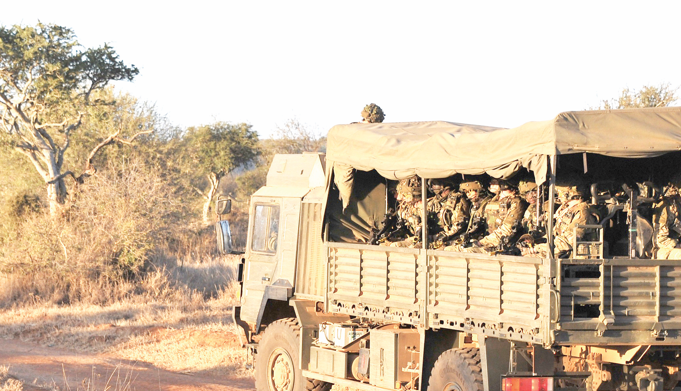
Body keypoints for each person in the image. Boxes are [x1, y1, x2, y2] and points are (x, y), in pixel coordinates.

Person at [522, 184, 596, 258]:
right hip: (561, 252)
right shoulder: (566, 210)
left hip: (572, 254)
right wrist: (535, 241)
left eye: (560, 193)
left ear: (569, 195)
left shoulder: (582, 212)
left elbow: (568, 241)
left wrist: (536, 249)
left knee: (527, 258)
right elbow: (555, 234)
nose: (559, 196)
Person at [472, 180, 527, 252]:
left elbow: (507, 230)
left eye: (494, 182)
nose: (490, 183)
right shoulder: (491, 200)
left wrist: (482, 242)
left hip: (504, 245)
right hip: (487, 241)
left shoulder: (515, 202)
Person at [428, 179, 471, 249]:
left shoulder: (458, 201)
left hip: (452, 238)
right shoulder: (434, 201)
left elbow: (459, 225)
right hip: (435, 236)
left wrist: (445, 235)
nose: (433, 187)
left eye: (435, 184)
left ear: (445, 186)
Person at [653, 184, 681, 259]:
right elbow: (660, 240)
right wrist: (676, 244)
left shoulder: (678, 205)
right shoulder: (665, 208)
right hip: (664, 249)